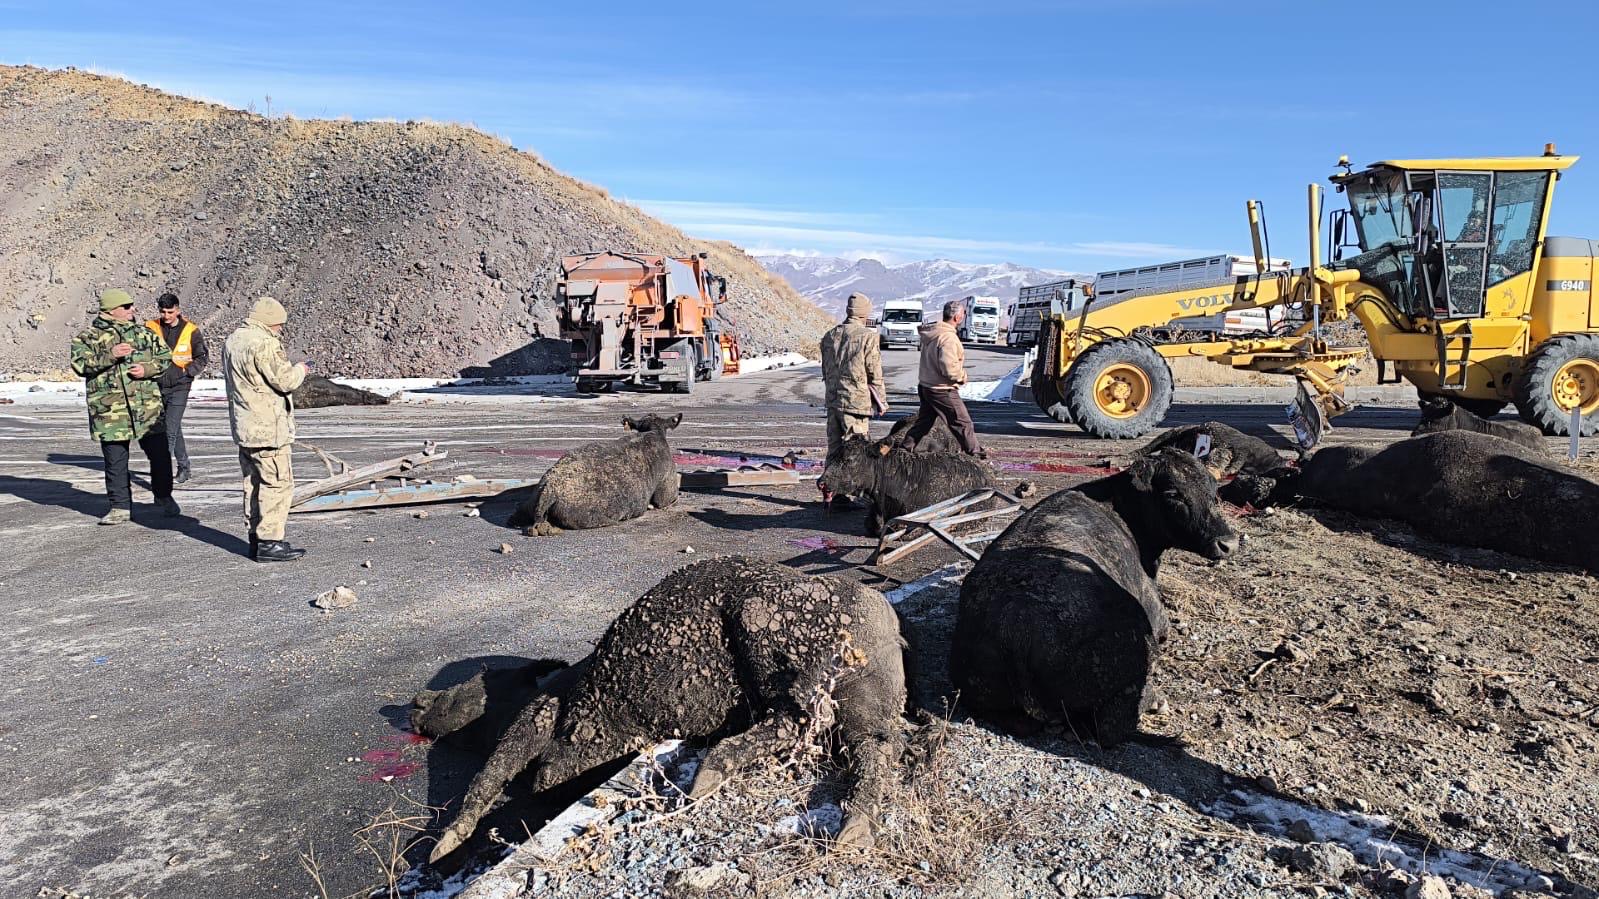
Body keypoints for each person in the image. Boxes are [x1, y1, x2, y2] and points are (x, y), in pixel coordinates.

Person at [68, 288, 180, 524]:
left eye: (132, 305)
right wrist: (110, 354)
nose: (133, 310)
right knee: (116, 461)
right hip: (110, 411)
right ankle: (119, 507)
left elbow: (164, 357)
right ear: (111, 310)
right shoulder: (88, 337)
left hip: (146, 408)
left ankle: (163, 495)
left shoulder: (142, 333)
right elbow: (80, 364)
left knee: (160, 455)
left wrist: (146, 369)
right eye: (127, 306)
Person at [224, 296, 309, 562]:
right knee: (277, 483)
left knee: (253, 483)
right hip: (267, 428)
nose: (279, 330)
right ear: (270, 321)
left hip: (245, 426)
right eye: (278, 325)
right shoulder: (264, 343)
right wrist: (301, 369)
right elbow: (284, 381)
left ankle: (256, 538)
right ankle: (270, 542)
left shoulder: (233, 340)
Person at [904, 299, 983, 457]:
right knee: (962, 422)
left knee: (924, 422)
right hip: (942, 389)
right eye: (962, 315)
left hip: (926, 385)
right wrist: (962, 377)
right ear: (957, 318)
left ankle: (904, 448)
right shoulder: (948, 338)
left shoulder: (933, 333)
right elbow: (949, 368)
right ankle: (975, 454)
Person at [147, 292, 208, 483]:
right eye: (163, 311)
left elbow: (202, 357)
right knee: (173, 427)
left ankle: (162, 476)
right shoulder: (151, 328)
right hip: (157, 386)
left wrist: (187, 373)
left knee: (169, 432)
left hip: (180, 387)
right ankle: (184, 467)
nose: (166, 316)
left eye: (170, 312)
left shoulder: (191, 331)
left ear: (178, 310)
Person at [819, 292, 886, 459]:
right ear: (864, 313)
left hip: (833, 401)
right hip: (855, 404)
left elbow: (825, 370)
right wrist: (881, 402)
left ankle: (829, 484)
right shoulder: (867, 337)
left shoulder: (830, 335)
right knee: (856, 453)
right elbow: (874, 373)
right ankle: (851, 485)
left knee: (834, 451)